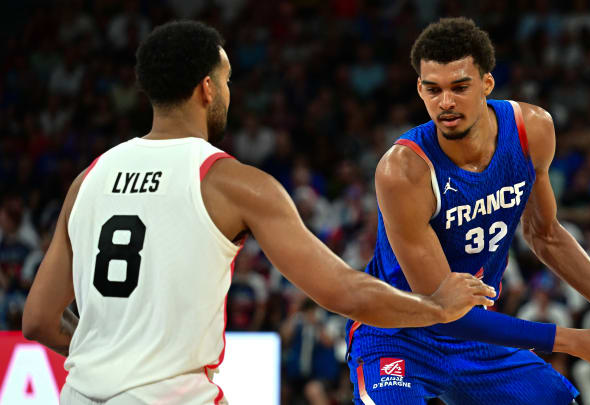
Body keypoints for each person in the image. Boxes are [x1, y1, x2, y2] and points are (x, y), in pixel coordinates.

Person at [21, 21, 496, 405]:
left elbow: (39, 320)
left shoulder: (88, 179)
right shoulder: (231, 182)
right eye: (227, 81)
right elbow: (344, 291)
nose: (230, 92)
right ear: (207, 89)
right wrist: (435, 307)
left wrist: (108, 358)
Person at [345, 17, 590, 405]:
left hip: (478, 334)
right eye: (433, 90)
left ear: (487, 83)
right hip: (398, 334)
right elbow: (444, 308)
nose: (445, 102)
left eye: (459, 87)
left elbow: (546, 235)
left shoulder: (531, 129)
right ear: (420, 89)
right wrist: (577, 342)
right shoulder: (403, 171)